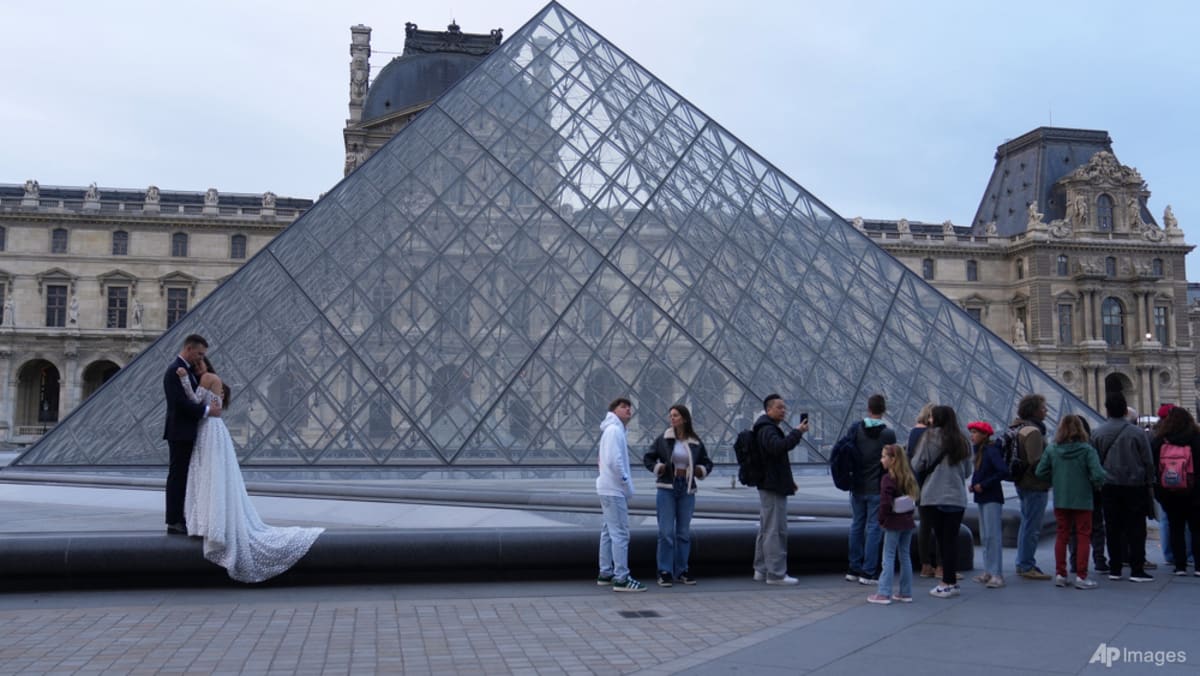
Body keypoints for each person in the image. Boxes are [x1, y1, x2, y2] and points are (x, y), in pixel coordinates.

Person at [176, 357, 323, 582]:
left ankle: (209, 524)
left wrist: (185, 380)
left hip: (209, 430)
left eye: (199, 364)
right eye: (194, 366)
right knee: (213, 477)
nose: (197, 368)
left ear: (205, 364)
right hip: (213, 431)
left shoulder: (206, 378)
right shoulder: (213, 379)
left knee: (209, 476)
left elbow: (195, 402)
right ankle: (210, 521)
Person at [643, 404, 713, 587]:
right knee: (666, 532)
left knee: (683, 533)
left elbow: (707, 462)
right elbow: (648, 458)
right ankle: (665, 571)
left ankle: (682, 570)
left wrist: (700, 470)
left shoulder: (695, 442)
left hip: (687, 488)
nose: (672, 418)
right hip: (667, 487)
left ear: (684, 418)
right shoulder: (664, 439)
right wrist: (659, 468)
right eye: (671, 415)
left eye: (675, 415)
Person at [1035, 415, 1107, 589]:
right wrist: (1095, 484)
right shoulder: (1087, 450)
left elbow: (1040, 472)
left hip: (1061, 498)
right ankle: (1081, 577)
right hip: (1083, 499)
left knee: (1062, 535)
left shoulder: (1052, 449)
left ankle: (1060, 574)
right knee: (1083, 536)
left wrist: (1056, 480)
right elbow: (1099, 475)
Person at [1091, 393, 1155, 582]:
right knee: (1136, 527)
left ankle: (1115, 568)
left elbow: (1094, 462)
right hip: (1134, 485)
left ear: (1107, 410)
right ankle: (1136, 568)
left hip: (1109, 486)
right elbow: (1148, 461)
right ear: (1125, 410)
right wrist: (1150, 481)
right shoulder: (1137, 433)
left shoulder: (1098, 433)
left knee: (1112, 527)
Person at [162, 334, 221, 535]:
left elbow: (194, 397)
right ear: (189, 348)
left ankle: (182, 516)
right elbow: (180, 403)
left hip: (187, 430)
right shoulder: (174, 371)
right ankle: (174, 520)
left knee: (185, 476)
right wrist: (207, 412)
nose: (201, 358)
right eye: (200, 353)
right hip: (180, 431)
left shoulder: (186, 371)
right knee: (178, 476)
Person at [912, 405, 972, 598]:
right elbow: (968, 471)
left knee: (940, 538)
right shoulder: (962, 440)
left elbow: (917, 464)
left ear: (935, 419)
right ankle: (951, 581)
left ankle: (946, 583)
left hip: (934, 495)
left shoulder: (929, 437)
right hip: (956, 496)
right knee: (951, 540)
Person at [751, 394, 809, 585]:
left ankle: (761, 569)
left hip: (771, 483)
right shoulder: (768, 429)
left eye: (784, 407)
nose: (784, 411)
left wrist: (789, 481)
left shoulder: (764, 428)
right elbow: (778, 448)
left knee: (766, 528)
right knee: (776, 530)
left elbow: (775, 460)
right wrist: (797, 432)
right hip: (772, 485)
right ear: (768, 410)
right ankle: (776, 574)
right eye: (779, 407)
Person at [846, 394, 897, 585]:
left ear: (868, 409)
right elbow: (893, 461)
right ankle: (868, 572)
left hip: (857, 485)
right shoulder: (888, 434)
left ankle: (853, 568)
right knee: (874, 528)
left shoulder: (856, 429)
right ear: (883, 409)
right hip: (877, 486)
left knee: (857, 525)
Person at [596, 397, 645, 592]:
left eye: (630, 407)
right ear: (614, 410)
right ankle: (622, 578)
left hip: (606, 487)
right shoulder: (615, 430)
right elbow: (614, 461)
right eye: (623, 407)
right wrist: (625, 481)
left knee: (608, 531)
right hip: (614, 489)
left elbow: (602, 460)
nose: (628, 410)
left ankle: (605, 573)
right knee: (621, 534)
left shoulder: (610, 430)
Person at [1150, 407, 1200, 577]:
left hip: (1169, 491)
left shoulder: (1160, 441)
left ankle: (1179, 565)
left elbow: (1153, 467)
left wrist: (1158, 491)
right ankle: (1198, 565)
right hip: (1194, 491)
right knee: (1196, 528)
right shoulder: (1196, 439)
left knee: (1175, 528)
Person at [867, 444, 918, 605]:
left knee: (887, 556)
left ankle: (883, 593)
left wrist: (882, 520)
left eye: (884, 457)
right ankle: (905, 592)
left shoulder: (888, 479)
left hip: (893, 522)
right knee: (905, 556)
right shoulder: (908, 476)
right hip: (907, 521)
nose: (881, 460)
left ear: (893, 459)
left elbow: (885, 503)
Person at [1011, 394, 1052, 580]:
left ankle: (1022, 562)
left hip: (1022, 482)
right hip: (1034, 484)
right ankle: (1027, 565)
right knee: (1032, 527)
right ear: (1034, 410)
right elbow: (1037, 462)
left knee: (1026, 524)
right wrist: (1050, 476)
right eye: (1043, 408)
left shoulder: (1020, 427)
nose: (1046, 411)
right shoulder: (1033, 432)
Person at [968, 421, 1008, 588]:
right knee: (986, 536)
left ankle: (997, 574)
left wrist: (983, 484)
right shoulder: (981, 451)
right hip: (983, 497)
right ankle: (989, 571)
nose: (972, 435)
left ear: (985, 435)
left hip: (991, 496)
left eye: (975, 432)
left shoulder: (990, 451)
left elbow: (1003, 471)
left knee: (993, 536)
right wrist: (974, 484)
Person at [908, 403, 938, 579]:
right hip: (933, 482)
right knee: (937, 525)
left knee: (925, 525)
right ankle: (938, 565)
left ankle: (925, 564)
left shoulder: (914, 432)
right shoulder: (930, 433)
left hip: (918, 484)